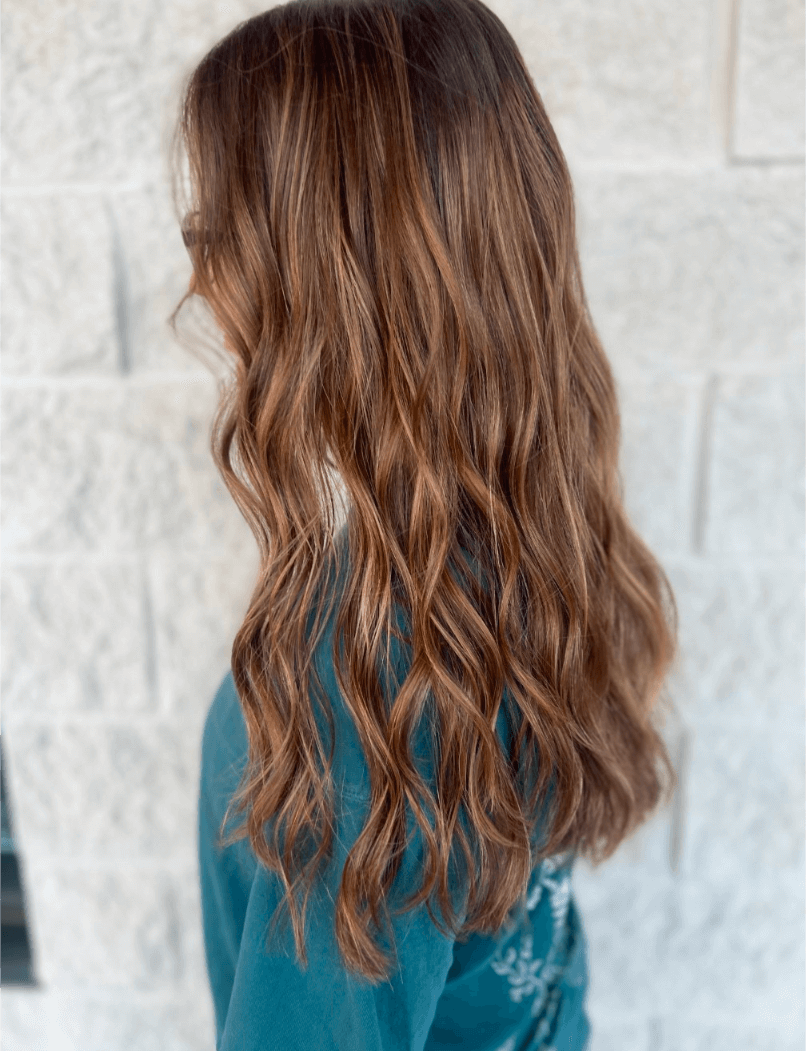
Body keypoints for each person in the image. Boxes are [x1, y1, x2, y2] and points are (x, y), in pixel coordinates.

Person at [169, 2, 679, 1049]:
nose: (198, 275)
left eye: (220, 227)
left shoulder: (359, 693)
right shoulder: (535, 541)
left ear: (324, 284)